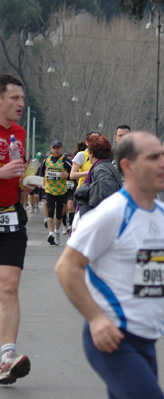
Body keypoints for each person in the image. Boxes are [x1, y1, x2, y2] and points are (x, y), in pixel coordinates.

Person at [54, 131, 164, 399]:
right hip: (113, 337)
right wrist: (96, 319)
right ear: (127, 167)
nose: (163, 163)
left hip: (146, 340)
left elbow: (157, 270)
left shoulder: (163, 215)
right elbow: (66, 267)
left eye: (163, 156)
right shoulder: (111, 213)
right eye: (152, 157)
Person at [0, 74, 31, 385]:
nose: (21, 103)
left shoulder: (20, 132)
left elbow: (16, 171)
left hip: (10, 218)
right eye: (14, 98)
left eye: (22, 98)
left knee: (8, 286)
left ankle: (6, 357)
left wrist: (25, 178)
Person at [74, 135, 122, 218]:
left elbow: (106, 190)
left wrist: (84, 190)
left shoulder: (101, 169)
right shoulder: (107, 166)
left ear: (91, 153)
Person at [40, 139, 72, 246]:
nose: (56, 150)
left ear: (61, 149)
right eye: (54, 148)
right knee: (50, 210)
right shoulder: (46, 159)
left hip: (61, 190)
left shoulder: (65, 161)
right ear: (51, 149)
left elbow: (73, 173)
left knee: (59, 213)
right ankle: (50, 233)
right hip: (49, 189)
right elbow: (42, 170)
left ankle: (57, 231)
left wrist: (67, 176)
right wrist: (41, 181)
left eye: (58, 148)